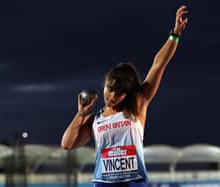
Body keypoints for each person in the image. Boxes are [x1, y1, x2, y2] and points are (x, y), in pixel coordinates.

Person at [61, 5, 188, 187]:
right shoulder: (94, 120)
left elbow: (157, 65)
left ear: (127, 93)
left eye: (118, 92)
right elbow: (67, 144)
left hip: (134, 183)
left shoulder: (138, 104)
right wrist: (80, 115)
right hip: (103, 183)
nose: (111, 95)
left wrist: (174, 34)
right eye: (109, 88)